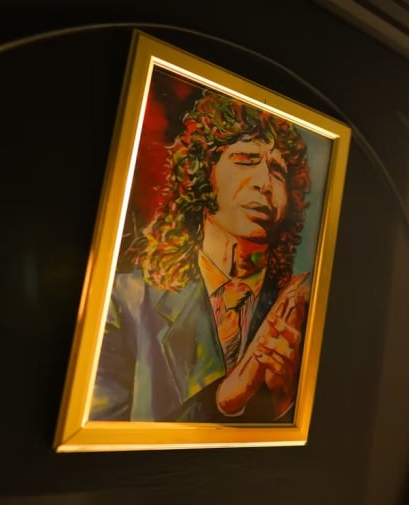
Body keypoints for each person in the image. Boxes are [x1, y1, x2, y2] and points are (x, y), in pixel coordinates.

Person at [90, 89, 312, 423]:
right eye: (245, 159)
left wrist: (285, 402)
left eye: (278, 172)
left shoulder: (301, 311)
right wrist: (227, 397)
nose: (265, 183)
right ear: (202, 173)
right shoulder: (124, 302)